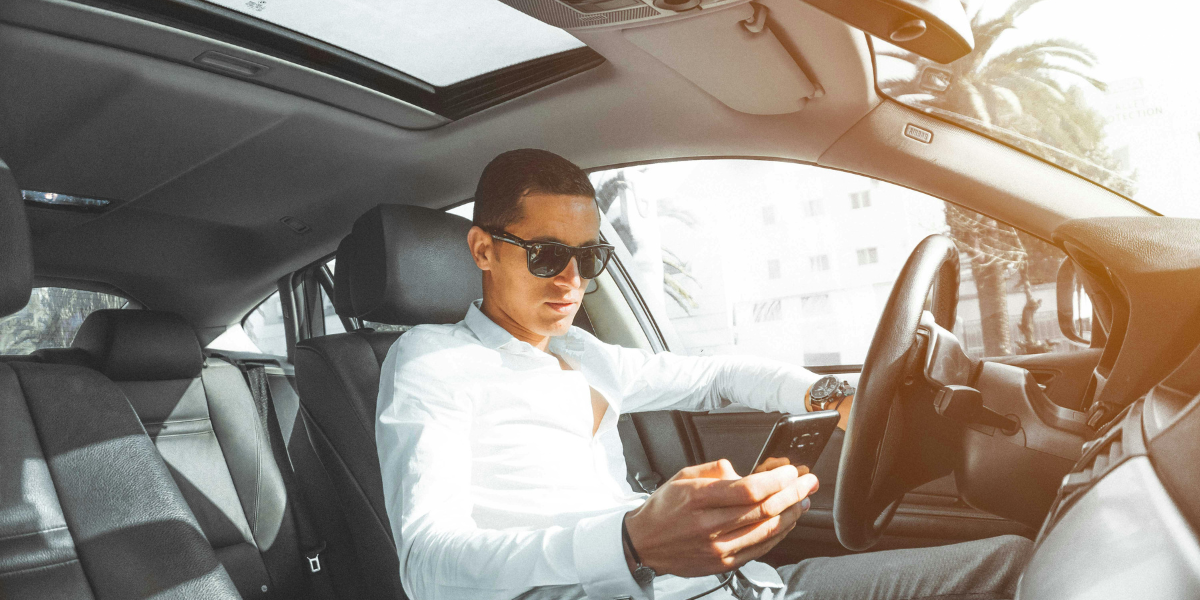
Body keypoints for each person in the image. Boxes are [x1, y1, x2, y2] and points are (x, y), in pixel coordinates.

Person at [376, 149, 1031, 600]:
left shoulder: (587, 353)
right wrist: (631, 544)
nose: (573, 282)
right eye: (549, 255)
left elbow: (716, 376)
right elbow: (428, 568)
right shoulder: (432, 361)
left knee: (1014, 562)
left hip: (747, 586)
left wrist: (831, 395)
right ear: (483, 249)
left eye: (589, 256)